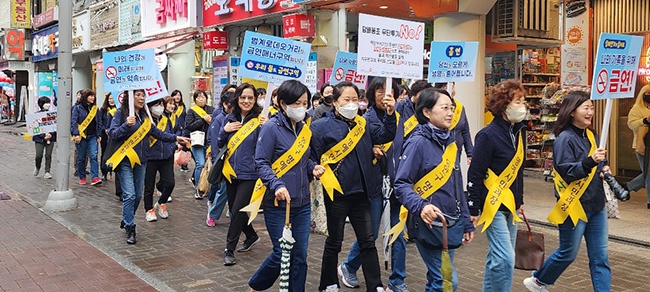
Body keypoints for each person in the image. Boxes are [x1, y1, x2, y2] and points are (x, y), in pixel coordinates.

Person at [310, 81, 396, 292]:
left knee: (367, 241)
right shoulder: (320, 127)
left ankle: (375, 285)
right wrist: (314, 167)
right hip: (337, 193)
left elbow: (385, 135)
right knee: (334, 242)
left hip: (362, 193)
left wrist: (391, 114)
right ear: (335, 102)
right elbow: (310, 157)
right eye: (346, 100)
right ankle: (329, 283)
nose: (351, 104)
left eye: (355, 100)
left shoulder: (363, 124)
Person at [523, 91, 611, 292]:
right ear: (572, 111)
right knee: (568, 252)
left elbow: (598, 162)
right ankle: (538, 280)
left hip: (596, 205)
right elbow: (566, 170)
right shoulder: (564, 138)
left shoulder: (593, 135)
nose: (590, 112)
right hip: (573, 205)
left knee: (600, 257)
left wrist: (604, 167)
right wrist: (591, 162)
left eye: (591, 107)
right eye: (586, 107)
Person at [248, 80, 326, 291]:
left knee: (299, 255)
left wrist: (312, 168)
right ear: (283, 103)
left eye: (305, 103)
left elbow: (304, 159)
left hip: (301, 202)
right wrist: (276, 185)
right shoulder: (272, 128)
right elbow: (261, 163)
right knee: (282, 252)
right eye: (297, 103)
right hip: (278, 203)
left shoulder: (303, 128)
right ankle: (256, 285)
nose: (302, 108)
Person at [394, 88, 475, 291]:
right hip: (427, 222)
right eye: (444, 108)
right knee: (446, 280)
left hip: (449, 222)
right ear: (427, 112)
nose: (450, 113)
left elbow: (457, 184)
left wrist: (466, 222)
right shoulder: (418, 142)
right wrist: (421, 206)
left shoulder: (452, 143)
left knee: (437, 279)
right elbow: (401, 184)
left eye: (452, 108)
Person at [338, 77, 408, 292]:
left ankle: (397, 280)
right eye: (379, 91)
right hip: (376, 185)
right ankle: (348, 266)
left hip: (400, 184)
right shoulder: (365, 119)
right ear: (370, 95)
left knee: (398, 234)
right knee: (371, 234)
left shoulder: (401, 116)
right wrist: (371, 150)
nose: (384, 95)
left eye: (389, 91)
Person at [467, 80, 527, 292]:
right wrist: (473, 207)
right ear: (504, 104)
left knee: (497, 256)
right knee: (505, 258)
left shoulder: (518, 133)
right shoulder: (487, 135)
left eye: (523, 101)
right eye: (518, 101)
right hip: (492, 206)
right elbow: (475, 172)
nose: (523, 106)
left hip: (511, 206)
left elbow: (518, 172)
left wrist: (520, 201)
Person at [109, 90, 189, 244]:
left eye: (143, 95)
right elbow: (113, 133)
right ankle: (130, 228)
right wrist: (126, 125)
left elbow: (157, 133)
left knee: (138, 195)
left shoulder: (145, 116)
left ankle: (127, 218)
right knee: (130, 195)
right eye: (137, 95)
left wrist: (175, 137)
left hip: (142, 159)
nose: (141, 98)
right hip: (125, 159)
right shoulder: (121, 113)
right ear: (130, 97)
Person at [219, 83, 268, 265]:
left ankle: (229, 249)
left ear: (255, 100)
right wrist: (224, 131)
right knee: (234, 210)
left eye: (250, 98)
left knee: (239, 210)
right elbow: (218, 143)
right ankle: (252, 235)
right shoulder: (229, 119)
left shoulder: (261, 120)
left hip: (251, 174)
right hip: (231, 172)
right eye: (243, 97)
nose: (246, 101)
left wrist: (267, 126)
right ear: (237, 99)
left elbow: (268, 146)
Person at [143, 97, 180, 222]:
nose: (159, 107)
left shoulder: (165, 119)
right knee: (149, 187)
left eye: (161, 105)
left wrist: (173, 146)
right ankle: (149, 209)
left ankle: (161, 202)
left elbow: (169, 134)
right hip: (150, 157)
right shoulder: (145, 120)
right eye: (156, 105)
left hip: (166, 156)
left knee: (170, 183)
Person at [206, 92, 235, 227]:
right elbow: (215, 142)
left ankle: (233, 214)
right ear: (225, 104)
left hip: (239, 161)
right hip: (225, 160)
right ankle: (213, 214)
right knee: (223, 190)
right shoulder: (219, 119)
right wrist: (217, 160)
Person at [185, 89, 215, 199]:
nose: (201, 99)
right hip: (197, 141)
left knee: (209, 165)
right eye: (198, 97)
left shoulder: (212, 110)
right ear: (195, 99)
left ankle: (206, 186)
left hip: (209, 141)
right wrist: (202, 120)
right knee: (200, 164)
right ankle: (198, 188)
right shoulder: (191, 111)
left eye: (203, 97)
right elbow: (189, 126)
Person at [625, 85, 650, 208]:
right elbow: (631, 124)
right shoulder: (637, 108)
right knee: (648, 173)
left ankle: (626, 187)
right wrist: (644, 121)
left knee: (647, 173)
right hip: (643, 145)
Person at [71, 89, 101, 186]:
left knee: (93, 155)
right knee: (81, 157)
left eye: (93, 96)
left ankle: (95, 177)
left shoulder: (96, 109)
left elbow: (99, 123)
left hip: (92, 136)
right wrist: (76, 134)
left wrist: (99, 134)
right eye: (90, 95)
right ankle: (82, 176)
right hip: (81, 136)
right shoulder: (77, 108)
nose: (92, 97)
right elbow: (74, 122)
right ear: (85, 97)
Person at [32, 96, 56, 179]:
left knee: (48, 155)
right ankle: (37, 166)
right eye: (46, 103)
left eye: (49, 103)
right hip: (39, 139)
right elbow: (34, 128)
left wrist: (51, 135)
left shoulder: (52, 114)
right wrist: (43, 136)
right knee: (39, 155)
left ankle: (47, 171)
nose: (48, 105)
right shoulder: (36, 115)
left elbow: (54, 126)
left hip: (50, 138)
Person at [98, 92, 117, 181]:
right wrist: (104, 129)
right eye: (109, 99)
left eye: (113, 98)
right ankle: (104, 171)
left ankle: (114, 170)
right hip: (105, 135)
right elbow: (99, 121)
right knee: (104, 153)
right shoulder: (103, 110)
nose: (111, 100)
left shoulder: (119, 110)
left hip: (115, 134)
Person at [171, 89, 190, 173]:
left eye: (179, 95)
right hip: (173, 128)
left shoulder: (183, 106)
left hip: (182, 128)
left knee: (184, 145)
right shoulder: (171, 106)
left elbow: (185, 117)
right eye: (175, 95)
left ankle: (184, 164)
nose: (177, 97)